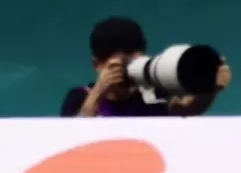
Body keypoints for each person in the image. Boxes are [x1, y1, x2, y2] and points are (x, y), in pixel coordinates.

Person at [59, 17, 231, 118]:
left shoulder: (153, 94)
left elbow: (188, 110)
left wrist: (210, 87)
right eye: (118, 64)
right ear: (97, 65)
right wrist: (98, 92)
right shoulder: (81, 96)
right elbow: (72, 136)